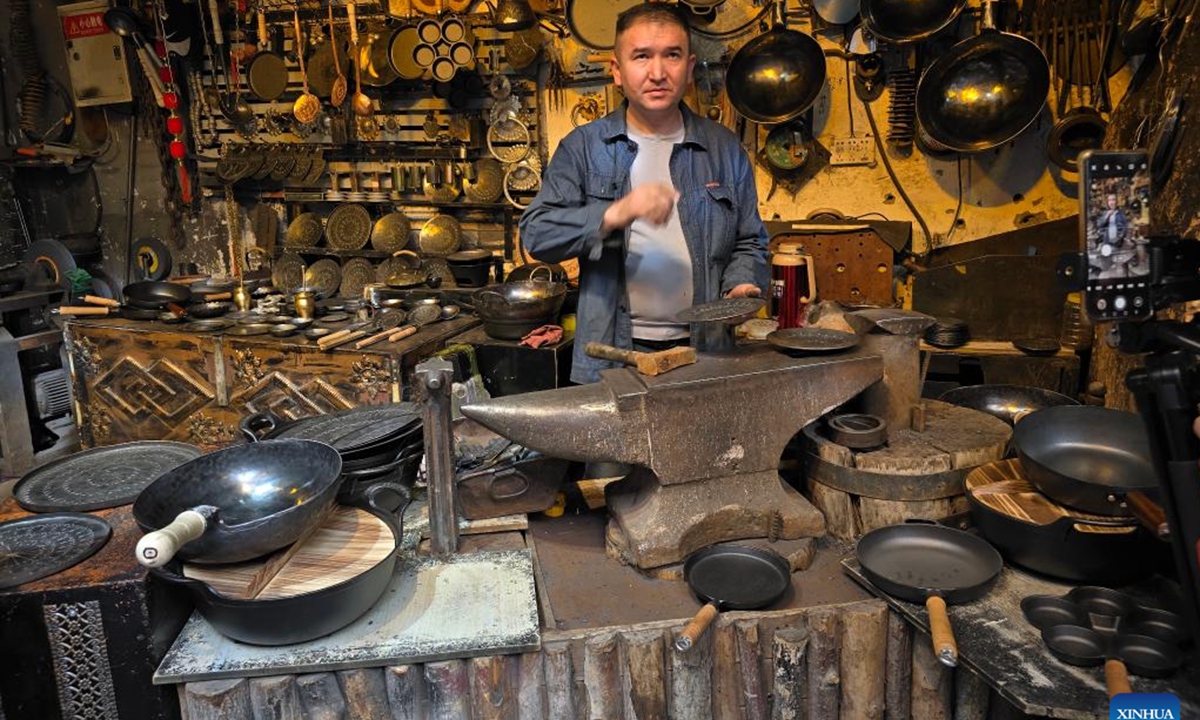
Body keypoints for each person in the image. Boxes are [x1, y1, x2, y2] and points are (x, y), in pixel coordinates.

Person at [518, 2, 768, 384]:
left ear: (688, 67)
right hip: (613, 355)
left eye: (671, 55)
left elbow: (750, 240)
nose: (657, 72)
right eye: (641, 56)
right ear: (617, 71)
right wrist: (614, 213)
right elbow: (537, 234)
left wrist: (742, 284)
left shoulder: (723, 148)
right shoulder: (583, 148)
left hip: (705, 353)